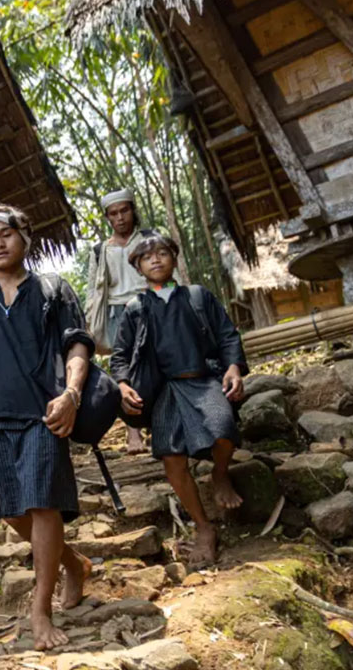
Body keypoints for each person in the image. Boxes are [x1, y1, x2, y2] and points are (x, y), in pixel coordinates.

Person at [0, 203, 92, 651]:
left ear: (24, 238)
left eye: (6, 234)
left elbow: (77, 346)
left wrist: (71, 393)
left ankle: (40, 610)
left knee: (42, 504)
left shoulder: (53, 290)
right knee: (12, 511)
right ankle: (73, 563)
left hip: (43, 412)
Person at [110, 231, 247, 565]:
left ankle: (219, 474)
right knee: (172, 459)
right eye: (146, 257)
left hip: (203, 381)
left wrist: (233, 367)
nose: (155, 259)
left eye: (162, 252)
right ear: (139, 267)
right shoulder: (136, 308)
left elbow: (228, 335)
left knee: (224, 429)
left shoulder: (198, 296)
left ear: (174, 257)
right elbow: (120, 356)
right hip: (165, 391)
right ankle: (203, 527)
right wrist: (123, 384)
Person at [84, 190, 158, 454]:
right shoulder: (100, 250)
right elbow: (94, 289)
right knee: (124, 371)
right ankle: (134, 433)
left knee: (157, 363)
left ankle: (159, 427)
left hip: (150, 306)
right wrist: (90, 324)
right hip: (118, 314)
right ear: (107, 218)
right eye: (113, 213)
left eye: (124, 211)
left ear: (133, 210)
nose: (120, 217)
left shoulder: (150, 239)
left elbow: (166, 270)